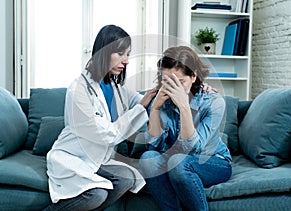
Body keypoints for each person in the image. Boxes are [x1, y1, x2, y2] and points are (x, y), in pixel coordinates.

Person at [44, 24, 157, 211]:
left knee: (128, 179)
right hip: (73, 156)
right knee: (96, 195)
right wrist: (141, 106)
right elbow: (106, 135)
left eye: (128, 54)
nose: (126, 60)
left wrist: (170, 90)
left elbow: (143, 100)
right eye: (121, 54)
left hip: (98, 159)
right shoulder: (79, 90)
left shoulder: (115, 86)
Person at [139, 46, 232, 211]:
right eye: (167, 81)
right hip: (175, 161)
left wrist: (184, 107)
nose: (173, 88)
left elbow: (194, 150)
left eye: (180, 82)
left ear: (194, 76)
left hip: (212, 161)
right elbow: (155, 146)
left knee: (178, 162)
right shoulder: (160, 99)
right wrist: (154, 109)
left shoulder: (213, 102)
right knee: (148, 157)